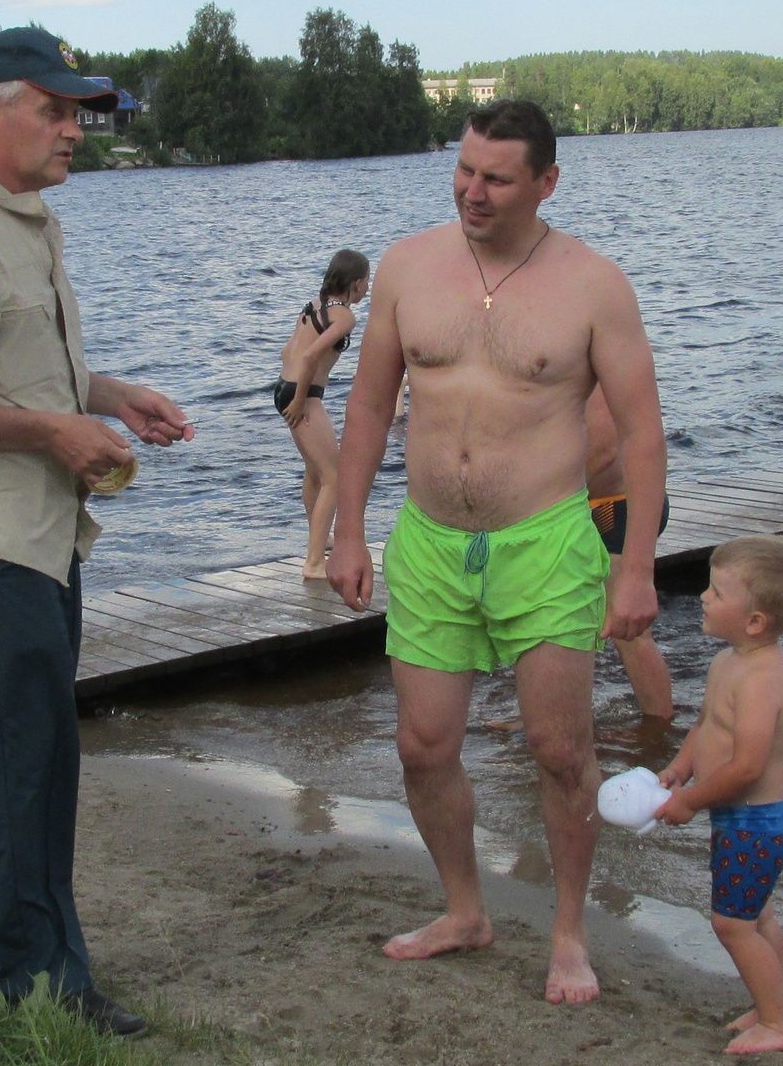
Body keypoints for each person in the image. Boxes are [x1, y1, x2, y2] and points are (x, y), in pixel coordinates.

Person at [0, 26, 195, 1038]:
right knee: (24, 757)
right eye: (53, 111)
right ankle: (39, 981)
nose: (73, 131)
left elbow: (5, 364)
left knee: (37, 751)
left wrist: (107, 394)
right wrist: (57, 428)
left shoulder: (26, 224)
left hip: (37, 531)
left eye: (76, 113)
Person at [327, 99, 665, 1007]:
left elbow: (642, 435)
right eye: (465, 170)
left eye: (497, 177)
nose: (473, 191)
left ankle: (566, 933)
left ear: (546, 182)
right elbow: (365, 407)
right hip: (431, 541)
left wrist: (634, 567)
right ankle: (465, 911)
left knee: (561, 751)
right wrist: (347, 528)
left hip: (547, 542)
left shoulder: (594, 285)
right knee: (423, 741)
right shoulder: (407, 268)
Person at [651, 533, 783, 1056]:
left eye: (716, 592)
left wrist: (691, 800)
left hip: (758, 821)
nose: (703, 597)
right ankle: (771, 1005)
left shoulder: (762, 678)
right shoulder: (730, 662)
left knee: (732, 922)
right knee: (757, 915)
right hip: (740, 819)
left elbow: (747, 766)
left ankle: (778, 1023)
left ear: (755, 622)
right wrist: (682, 765)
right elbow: (708, 725)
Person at [276, 248, 371, 579]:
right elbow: (310, 356)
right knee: (335, 476)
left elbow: (288, 350)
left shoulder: (314, 305)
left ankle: (320, 540)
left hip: (283, 388)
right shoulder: (344, 316)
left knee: (315, 471)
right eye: (367, 282)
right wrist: (302, 399)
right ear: (357, 283)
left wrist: (291, 392)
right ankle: (314, 563)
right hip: (303, 395)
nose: (367, 289)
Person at [585, 387, 674, 729]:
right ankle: (548, 712)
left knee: (628, 630)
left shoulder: (589, 351)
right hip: (596, 503)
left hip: (612, 506)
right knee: (557, 615)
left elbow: (604, 450)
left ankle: (660, 725)